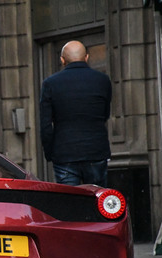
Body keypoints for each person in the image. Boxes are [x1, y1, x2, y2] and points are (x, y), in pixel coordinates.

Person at [39, 40, 112, 187]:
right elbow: (105, 114)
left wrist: (50, 153)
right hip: (96, 150)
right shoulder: (102, 80)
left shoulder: (50, 84)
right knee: (97, 200)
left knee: (69, 202)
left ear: (62, 60)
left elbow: (45, 125)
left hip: (65, 153)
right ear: (86, 57)